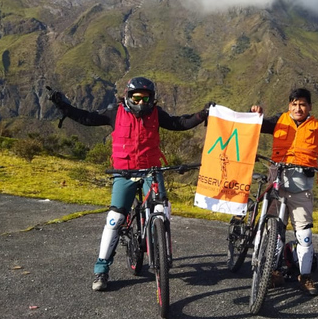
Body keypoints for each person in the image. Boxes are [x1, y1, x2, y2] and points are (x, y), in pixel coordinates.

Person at [49, 77, 211, 292]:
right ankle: (101, 269)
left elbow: (178, 123)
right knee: (115, 219)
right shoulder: (114, 112)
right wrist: (63, 106)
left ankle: (162, 251)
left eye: (146, 98)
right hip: (123, 173)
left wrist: (202, 114)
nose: (142, 102)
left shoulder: (156, 114)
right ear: (127, 96)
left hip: (151, 171)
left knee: (162, 209)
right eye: (137, 97)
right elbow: (88, 118)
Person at [250, 87, 318, 296]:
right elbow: (255, 125)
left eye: (302, 104)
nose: (298, 108)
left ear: (309, 107)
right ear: (289, 105)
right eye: (294, 104)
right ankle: (272, 272)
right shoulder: (278, 121)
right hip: (276, 185)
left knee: (305, 236)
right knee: (274, 233)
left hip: (301, 189)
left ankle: (305, 275)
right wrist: (254, 112)